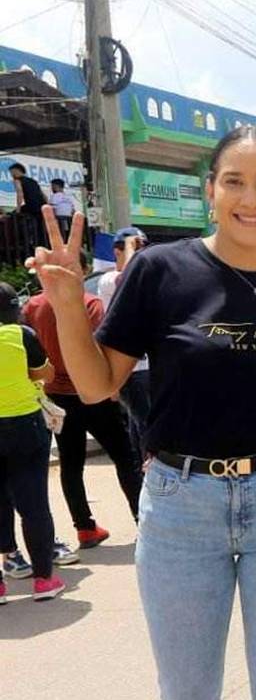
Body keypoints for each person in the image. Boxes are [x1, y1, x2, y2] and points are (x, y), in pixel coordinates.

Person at [29, 125, 256, 700]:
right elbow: (99, 385)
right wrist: (69, 303)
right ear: (210, 191)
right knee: (187, 686)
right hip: (181, 501)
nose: (249, 198)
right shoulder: (161, 271)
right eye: (234, 181)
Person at [24, 280, 143, 549]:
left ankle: (85, 528)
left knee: (71, 462)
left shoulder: (33, 306)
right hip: (93, 391)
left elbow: (31, 350)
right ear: (83, 270)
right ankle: (143, 520)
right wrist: (114, 385)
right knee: (125, 457)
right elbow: (103, 344)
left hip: (56, 394)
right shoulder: (89, 303)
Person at [0, 282, 63, 603]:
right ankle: (43, 580)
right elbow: (46, 375)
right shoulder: (22, 335)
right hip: (24, 426)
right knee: (34, 504)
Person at [98, 226, 153, 453]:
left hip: (150, 366)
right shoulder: (109, 279)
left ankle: (140, 478)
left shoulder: (150, 276)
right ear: (117, 252)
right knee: (150, 430)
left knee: (139, 430)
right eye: (133, 248)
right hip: (132, 370)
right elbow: (130, 278)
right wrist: (133, 250)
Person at [8, 162, 47, 258]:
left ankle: (21, 241)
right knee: (40, 229)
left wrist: (18, 209)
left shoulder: (18, 180)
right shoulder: (33, 181)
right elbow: (43, 195)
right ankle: (42, 246)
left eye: (12, 172)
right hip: (41, 206)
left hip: (31, 206)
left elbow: (20, 193)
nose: (11, 175)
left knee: (12, 216)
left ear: (17, 171)